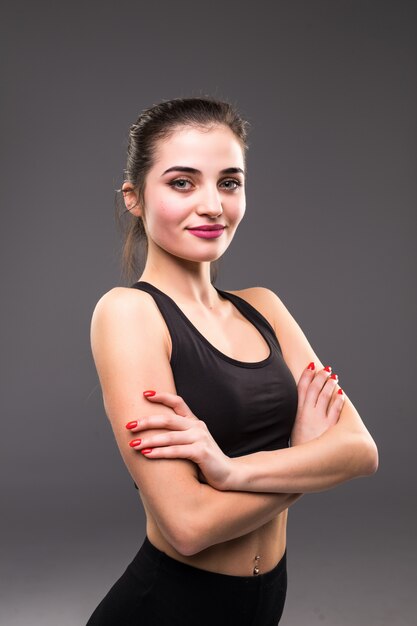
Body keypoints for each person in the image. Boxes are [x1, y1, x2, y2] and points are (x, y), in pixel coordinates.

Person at [86, 96, 378, 626]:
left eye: (228, 182)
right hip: (169, 609)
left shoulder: (264, 306)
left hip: (263, 604)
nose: (213, 205)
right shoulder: (128, 313)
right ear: (134, 197)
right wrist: (307, 458)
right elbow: (189, 525)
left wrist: (229, 471)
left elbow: (361, 450)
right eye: (181, 182)